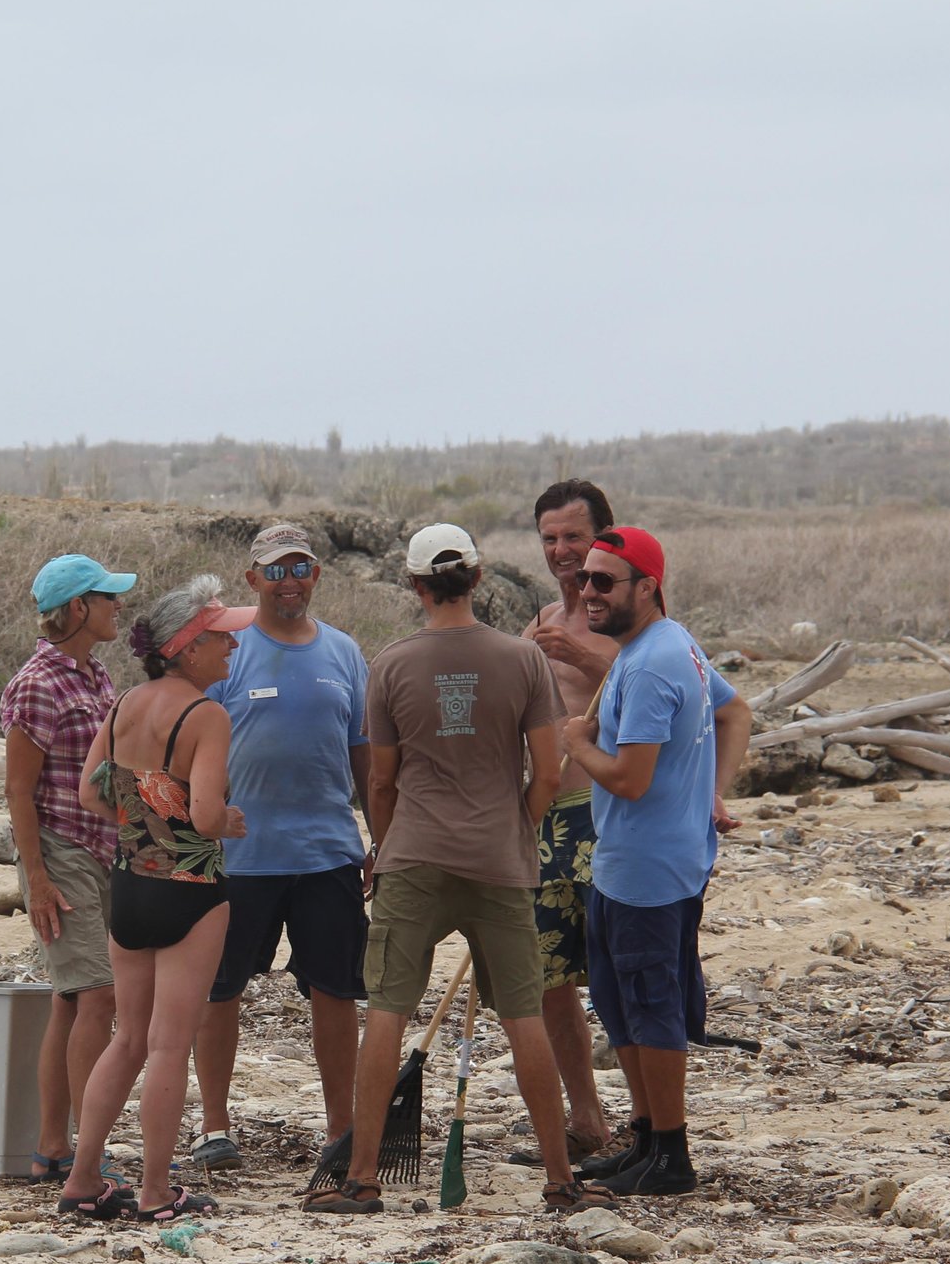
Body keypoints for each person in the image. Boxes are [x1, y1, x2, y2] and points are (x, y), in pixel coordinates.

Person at [308, 524, 616, 1217]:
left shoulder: (389, 664)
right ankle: (561, 1179)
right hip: (500, 859)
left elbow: (380, 781)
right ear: (477, 578)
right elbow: (549, 768)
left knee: (386, 1008)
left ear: (415, 586)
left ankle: (361, 1179)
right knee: (525, 1014)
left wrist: (385, 847)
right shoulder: (523, 659)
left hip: (413, 853)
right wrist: (522, 829)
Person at [55, 576, 255, 1224]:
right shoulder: (207, 716)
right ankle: (155, 1191)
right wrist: (226, 820)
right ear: (188, 647)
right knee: (170, 1046)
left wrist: (145, 817)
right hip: (190, 889)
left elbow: (90, 793)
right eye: (222, 636)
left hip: (129, 884)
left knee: (127, 1039)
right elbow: (201, 813)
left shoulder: (124, 705)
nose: (231, 647)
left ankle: (83, 1179)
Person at [559, 527, 752, 1195]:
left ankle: (671, 1154)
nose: (588, 591)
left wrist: (577, 743)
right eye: (585, 578)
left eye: (604, 582)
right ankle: (644, 1136)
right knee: (619, 1003)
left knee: (652, 1006)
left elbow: (630, 777)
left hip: (648, 872)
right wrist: (712, 792)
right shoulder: (673, 644)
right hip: (627, 863)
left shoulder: (647, 664)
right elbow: (737, 713)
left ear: (648, 586)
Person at [188, 525, 373, 1171]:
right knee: (220, 987)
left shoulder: (346, 653)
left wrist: (381, 835)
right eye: (275, 569)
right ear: (252, 579)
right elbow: (191, 747)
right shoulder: (226, 654)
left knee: (335, 989)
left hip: (329, 852)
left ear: (317, 575)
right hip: (240, 856)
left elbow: (365, 755)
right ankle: (214, 1125)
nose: (288, 579)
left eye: (300, 567)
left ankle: (341, 1129)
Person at [0, 554, 133, 1184]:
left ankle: (54, 1146)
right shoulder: (38, 683)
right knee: (98, 994)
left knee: (71, 999)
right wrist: (38, 880)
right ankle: (86, 1152)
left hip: (99, 852)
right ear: (78, 607)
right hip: (59, 852)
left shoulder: (94, 676)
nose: (117, 607)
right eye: (108, 597)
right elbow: (17, 791)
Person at [523, 480, 622, 1160]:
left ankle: (650, 1126)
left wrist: (575, 652)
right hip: (542, 816)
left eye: (574, 537)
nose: (562, 551)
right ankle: (586, 1120)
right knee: (549, 979)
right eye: (551, 538)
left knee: (619, 973)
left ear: (603, 539)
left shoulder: (628, 615)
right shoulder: (540, 615)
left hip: (608, 813)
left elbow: (658, 682)